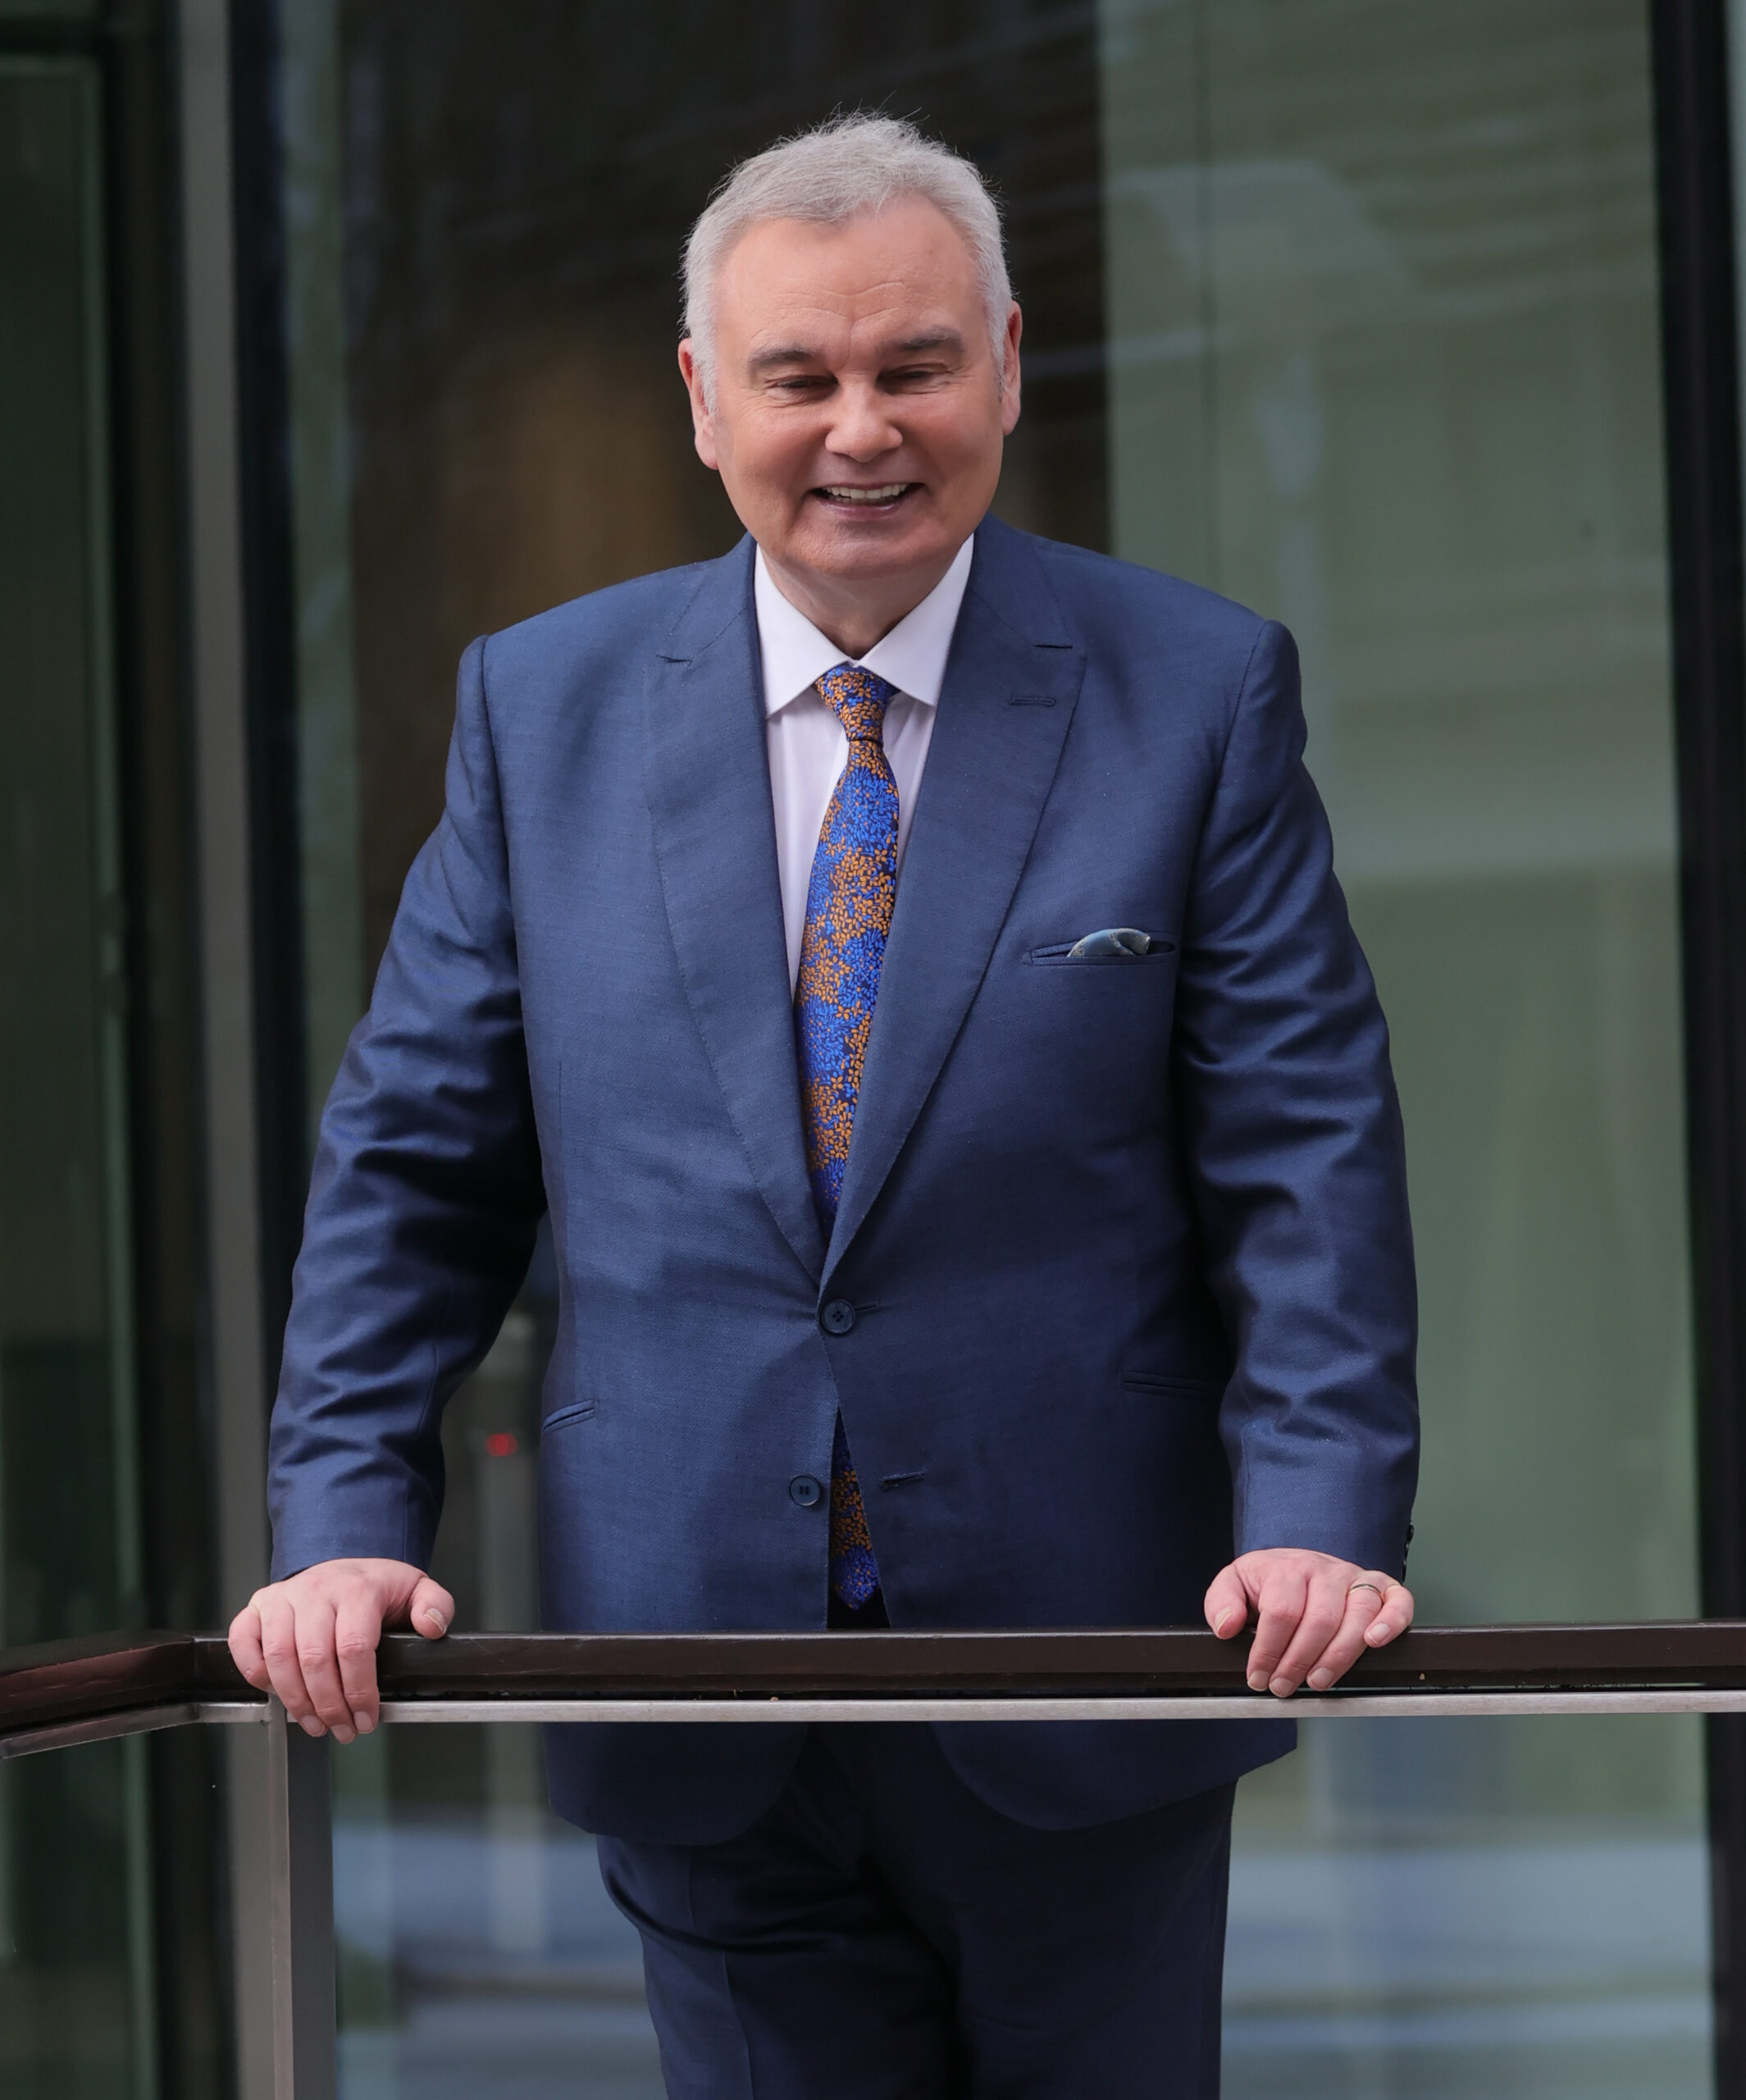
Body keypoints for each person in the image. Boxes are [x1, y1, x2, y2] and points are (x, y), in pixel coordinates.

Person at [230, 112, 1418, 2097]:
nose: (860, 425)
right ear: (706, 399)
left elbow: (1302, 1152)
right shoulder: (544, 709)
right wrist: (346, 1516)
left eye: (915, 366)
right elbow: (415, 1162)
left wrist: (1316, 1513)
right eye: (801, 376)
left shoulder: (1198, 693)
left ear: (1009, 370)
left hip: (1087, 1658)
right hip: (693, 1659)